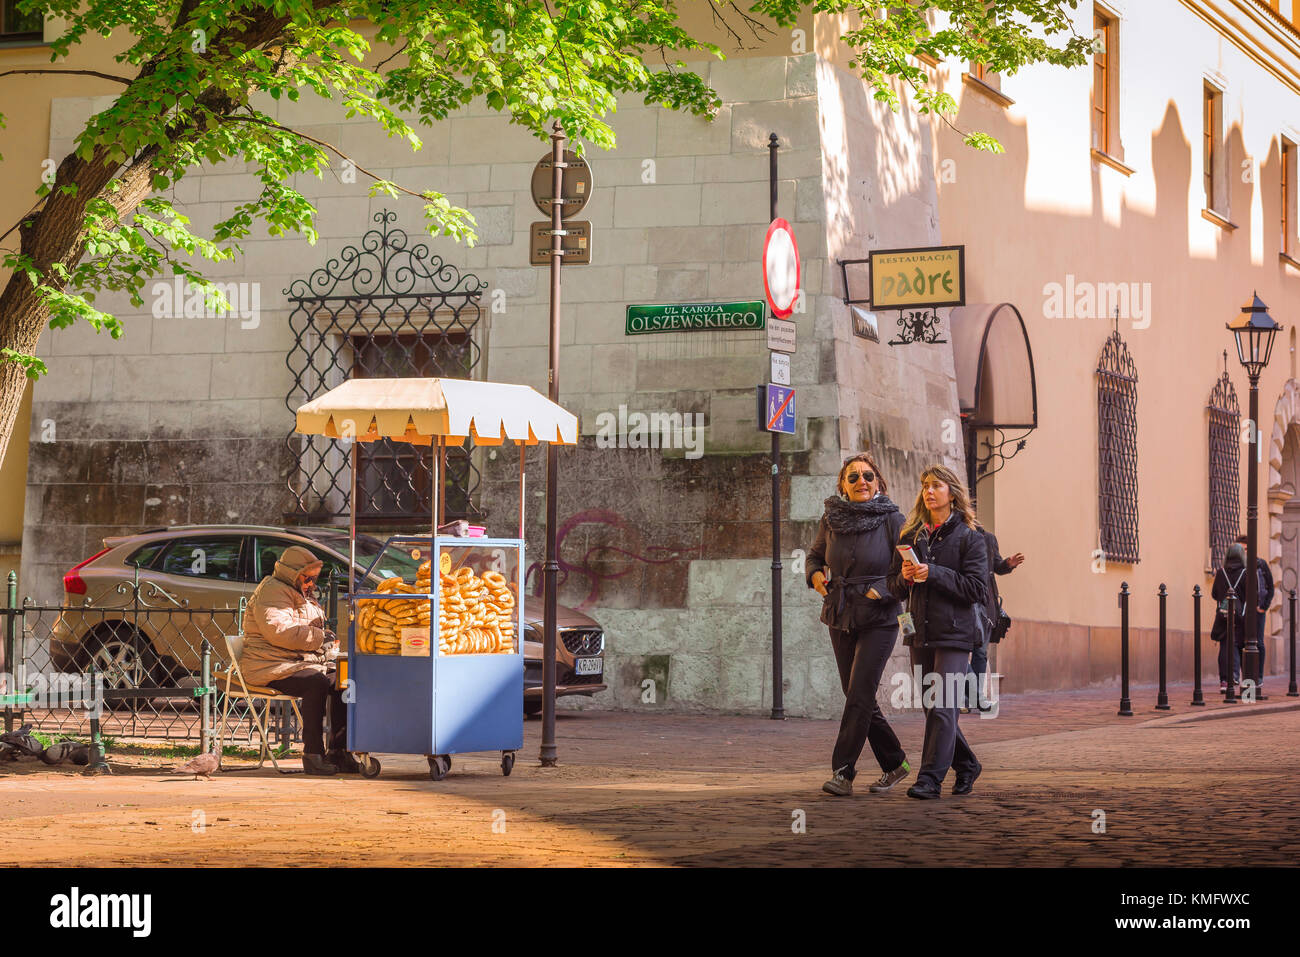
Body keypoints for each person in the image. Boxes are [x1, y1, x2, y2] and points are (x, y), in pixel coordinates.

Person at [807, 452, 911, 797]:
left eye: (867, 476)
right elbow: (814, 556)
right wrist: (815, 576)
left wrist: (877, 589)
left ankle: (843, 771)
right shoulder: (831, 519)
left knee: (860, 693)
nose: (861, 482)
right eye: (853, 477)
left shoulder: (893, 519)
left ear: (878, 482)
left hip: (880, 617)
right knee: (855, 694)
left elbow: (907, 570)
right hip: (840, 612)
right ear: (843, 485)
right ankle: (895, 761)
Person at [887, 465, 988, 799]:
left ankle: (929, 779)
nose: (929, 491)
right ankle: (968, 763)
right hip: (920, 631)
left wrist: (934, 572)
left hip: (956, 634)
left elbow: (976, 588)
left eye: (936, 486)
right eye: (925, 486)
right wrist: (905, 577)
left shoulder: (971, 537)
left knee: (944, 704)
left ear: (952, 493)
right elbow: (894, 588)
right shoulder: (910, 535)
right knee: (934, 706)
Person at [240, 545, 354, 775]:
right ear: (292, 572)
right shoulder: (272, 591)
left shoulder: (301, 592)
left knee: (344, 679)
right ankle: (313, 754)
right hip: (269, 665)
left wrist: (327, 647)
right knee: (316, 683)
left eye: (314, 578)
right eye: (308, 577)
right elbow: (279, 631)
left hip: (296, 661)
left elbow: (307, 630)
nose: (312, 583)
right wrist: (319, 638)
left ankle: (339, 751)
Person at [964, 526, 1024, 712]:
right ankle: (969, 697)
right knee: (958, 653)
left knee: (980, 653)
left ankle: (974, 698)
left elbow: (996, 566)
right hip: (963, 602)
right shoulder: (954, 536)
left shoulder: (987, 538)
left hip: (985, 604)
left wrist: (1008, 563)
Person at [1233, 534, 1274, 691]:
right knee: (1241, 642)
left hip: (1257, 611)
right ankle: (1247, 677)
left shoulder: (1261, 564)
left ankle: (1258, 677)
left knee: (1259, 643)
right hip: (1241, 611)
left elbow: (1270, 587)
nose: (1244, 552)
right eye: (1241, 550)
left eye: (1246, 549)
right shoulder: (1236, 567)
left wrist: (1263, 606)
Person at [1210, 542, 1249, 693]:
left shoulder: (1221, 573)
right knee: (1244, 649)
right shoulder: (1246, 573)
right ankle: (1245, 689)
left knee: (1225, 646)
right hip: (1242, 617)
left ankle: (1224, 681)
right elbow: (1252, 595)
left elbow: (1214, 594)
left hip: (1225, 615)